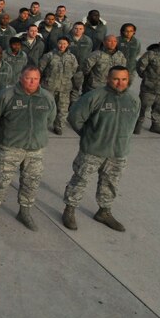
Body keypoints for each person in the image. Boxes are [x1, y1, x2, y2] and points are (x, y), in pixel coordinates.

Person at [62, 66, 140, 232]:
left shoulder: (133, 100)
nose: (120, 83)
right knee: (80, 180)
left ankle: (104, 212)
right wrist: (89, 136)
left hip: (118, 153)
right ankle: (69, 209)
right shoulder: (95, 97)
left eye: (124, 79)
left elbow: (132, 123)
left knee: (111, 183)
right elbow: (75, 117)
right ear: (108, 79)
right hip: (93, 151)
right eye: (116, 79)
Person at [0, 66, 56, 231]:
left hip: (35, 149)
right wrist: (5, 133)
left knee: (31, 182)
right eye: (28, 78)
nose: (32, 82)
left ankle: (24, 212)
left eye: (35, 79)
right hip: (11, 147)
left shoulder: (46, 97)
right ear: (20, 78)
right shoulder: (7, 95)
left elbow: (50, 119)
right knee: (1, 180)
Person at [39, 36, 78, 135]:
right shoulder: (49, 56)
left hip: (64, 88)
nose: (62, 46)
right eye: (60, 43)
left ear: (68, 45)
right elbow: (40, 69)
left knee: (63, 109)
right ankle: (42, 126)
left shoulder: (72, 58)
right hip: (49, 87)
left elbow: (74, 70)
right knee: (46, 107)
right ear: (57, 43)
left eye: (64, 44)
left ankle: (59, 126)